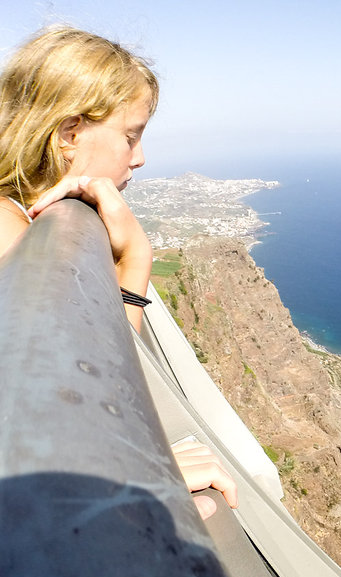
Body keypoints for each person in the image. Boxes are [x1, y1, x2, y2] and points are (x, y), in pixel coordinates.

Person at [0, 26, 236, 520]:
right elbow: (51, 406)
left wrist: (135, 260)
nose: (141, 157)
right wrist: (139, 472)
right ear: (69, 133)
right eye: (130, 136)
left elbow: (97, 368)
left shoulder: (19, 217)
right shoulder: (7, 230)